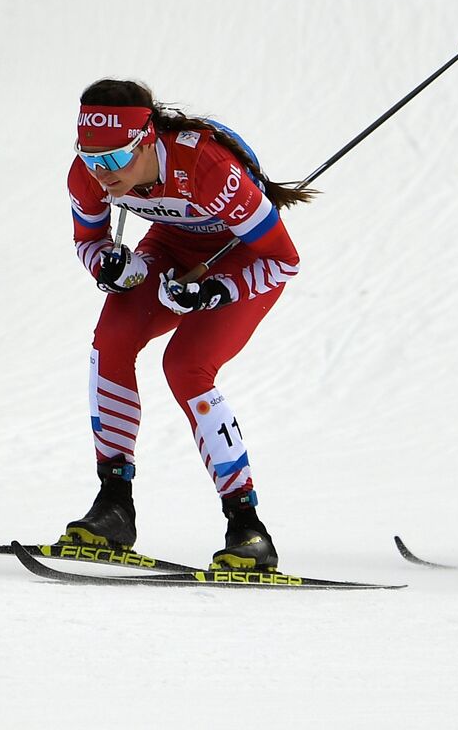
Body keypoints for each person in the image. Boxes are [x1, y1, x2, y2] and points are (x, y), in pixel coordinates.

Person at [63, 79, 313, 571]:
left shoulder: (208, 168)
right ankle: (114, 506)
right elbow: (87, 242)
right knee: (110, 341)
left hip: (241, 261)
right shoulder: (88, 174)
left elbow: (283, 260)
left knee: (185, 366)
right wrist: (106, 266)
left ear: (147, 139)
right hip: (172, 247)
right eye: (90, 158)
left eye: (113, 159)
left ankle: (247, 527)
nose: (101, 173)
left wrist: (218, 291)